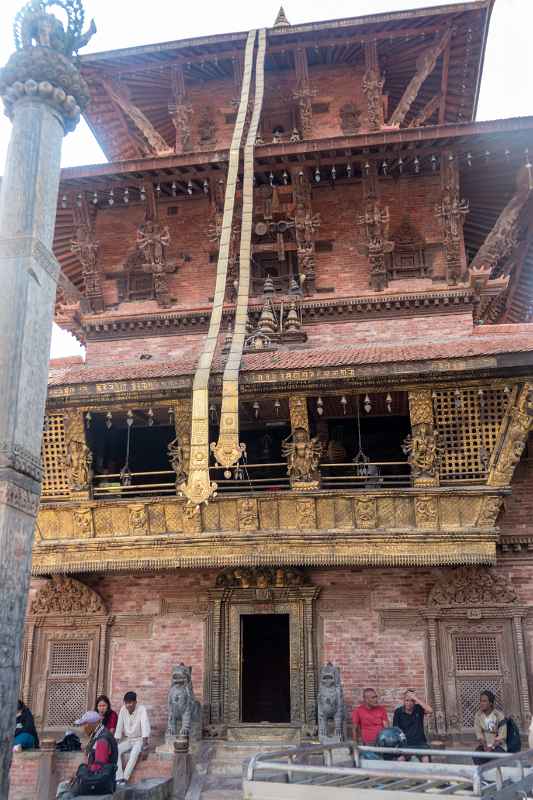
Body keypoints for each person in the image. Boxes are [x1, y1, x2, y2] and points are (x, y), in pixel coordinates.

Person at [56, 711, 117, 799]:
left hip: (98, 783)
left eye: (84, 725)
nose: (83, 728)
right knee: (63, 785)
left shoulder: (102, 740)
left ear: (91, 725)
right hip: (97, 779)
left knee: (63, 791)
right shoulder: (98, 736)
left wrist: (79, 776)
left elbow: (98, 768)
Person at [115, 691, 151, 785]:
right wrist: (115, 742)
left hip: (139, 740)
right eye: (126, 703)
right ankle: (119, 777)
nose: (128, 705)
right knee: (116, 750)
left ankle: (125, 779)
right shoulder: (123, 709)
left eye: (130, 702)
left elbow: (145, 725)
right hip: (128, 739)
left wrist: (145, 745)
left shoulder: (142, 709)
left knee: (134, 754)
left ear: (135, 702)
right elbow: (119, 727)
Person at [393, 690, 433, 762]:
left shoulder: (418, 708)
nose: (409, 703)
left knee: (426, 759)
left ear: (414, 702)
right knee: (400, 759)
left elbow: (430, 710)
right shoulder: (398, 711)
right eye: (407, 700)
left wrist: (416, 698)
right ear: (404, 701)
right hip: (405, 743)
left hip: (420, 743)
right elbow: (395, 729)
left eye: (412, 701)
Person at [352, 688, 389, 757]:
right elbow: (354, 729)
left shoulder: (381, 709)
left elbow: (386, 727)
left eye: (376, 697)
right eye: (373, 698)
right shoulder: (358, 711)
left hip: (382, 743)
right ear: (366, 699)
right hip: (368, 743)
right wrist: (355, 746)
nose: (376, 700)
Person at [473, 690, 506, 765]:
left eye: (484, 701)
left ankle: (497, 775)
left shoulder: (499, 716)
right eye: (481, 701)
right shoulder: (478, 715)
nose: (481, 703)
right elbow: (479, 734)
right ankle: (482, 776)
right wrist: (485, 746)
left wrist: (492, 747)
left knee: (495, 757)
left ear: (490, 703)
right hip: (484, 745)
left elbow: (502, 737)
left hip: (498, 746)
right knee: (476, 756)